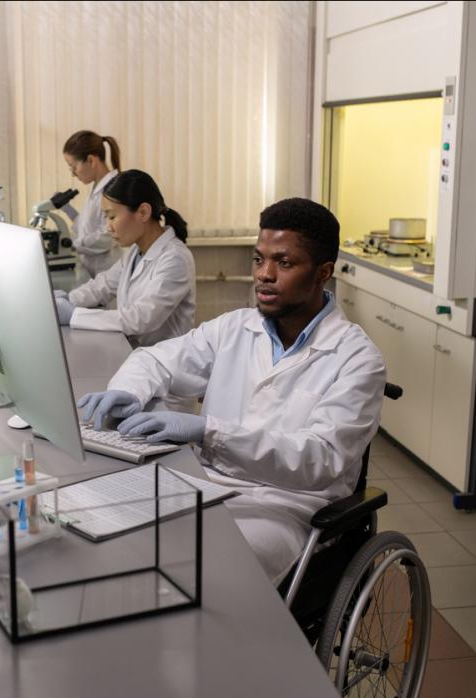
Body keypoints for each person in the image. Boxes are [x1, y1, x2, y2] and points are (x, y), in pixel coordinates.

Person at [77, 198, 386, 585]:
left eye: (284, 263)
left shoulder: (357, 359)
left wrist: (208, 431)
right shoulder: (235, 327)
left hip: (286, 507)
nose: (264, 275)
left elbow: (319, 459)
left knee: (202, 565)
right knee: (115, 528)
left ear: (323, 272)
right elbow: (155, 360)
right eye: (259, 260)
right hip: (207, 482)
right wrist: (129, 392)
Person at [54, 169, 196, 350]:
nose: (108, 227)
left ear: (143, 212)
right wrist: (66, 300)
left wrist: (74, 315)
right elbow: (102, 286)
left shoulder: (175, 258)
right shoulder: (136, 252)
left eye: (112, 216)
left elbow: (142, 318)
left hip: (166, 364)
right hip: (138, 354)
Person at [60, 130, 122, 277]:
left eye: (74, 167)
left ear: (91, 160)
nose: (73, 173)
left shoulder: (112, 189)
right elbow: (86, 227)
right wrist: (67, 209)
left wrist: (74, 246)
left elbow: (108, 235)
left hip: (107, 274)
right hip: (92, 274)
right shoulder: (96, 187)